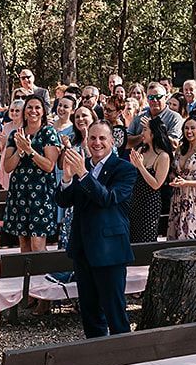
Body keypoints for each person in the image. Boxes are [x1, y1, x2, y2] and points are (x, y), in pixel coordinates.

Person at [54, 121, 138, 337]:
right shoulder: (83, 165)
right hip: (83, 249)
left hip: (109, 251)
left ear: (112, 141)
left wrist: (82, 174)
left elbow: (107, 199)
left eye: (102, 138)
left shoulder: (125, 169)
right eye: (92, 138)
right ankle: (96, 359)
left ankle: (124, 358)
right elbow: (64, 201)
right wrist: (66, 177)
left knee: (114, 311)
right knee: (89, 311)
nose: (97, 143)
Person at [0, 93, 58, 255]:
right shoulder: (15, 135)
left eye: (37, 107)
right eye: (29, 107)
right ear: (24, 111)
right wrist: (19, 150)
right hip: (20, 193)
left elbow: (49, 166)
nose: (33, 111)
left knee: (37, 245)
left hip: (41, 195)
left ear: (43, 112)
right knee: (24, 246)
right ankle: (29, 280)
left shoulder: (48, 133)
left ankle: (42, 278)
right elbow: (8, 167)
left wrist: (30, 151)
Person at [127, 113, 172, 244]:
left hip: (149, 203)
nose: (142, 133)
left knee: (146, 237)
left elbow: (156, 184)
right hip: (135, 199)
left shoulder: (163, 156)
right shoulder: (141, 150)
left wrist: (141, 167)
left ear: (154, 133)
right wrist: (133, 166)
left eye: (145, 129)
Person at [168, 116, 196, 240]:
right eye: (186, 128)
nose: (189, 131)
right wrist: (174, 178)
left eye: (193, 128)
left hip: (194, 198)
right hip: (177, 197)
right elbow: (173, 171)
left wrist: (186, 183)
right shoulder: (180, 149)